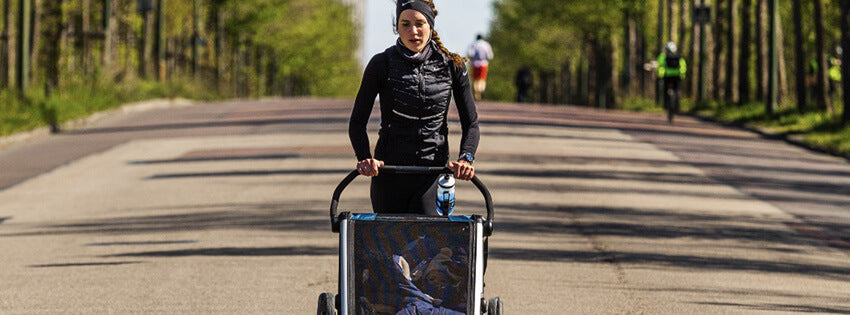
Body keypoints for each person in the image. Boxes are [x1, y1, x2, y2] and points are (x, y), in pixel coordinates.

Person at [349, 0, 479, 215]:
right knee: (391, 246)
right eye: (405, 24)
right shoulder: (381, 64)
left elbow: (471, 123)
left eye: (420, 23)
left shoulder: (452, 65)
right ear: (397, 27)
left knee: (429, 245)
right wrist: (364, 158)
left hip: (433, 172)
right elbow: (357, 122)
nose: (413, 31)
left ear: (430, 25)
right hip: (389, 173)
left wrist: (466, 158)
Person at [657, 42, 687, 116]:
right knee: (677, 90)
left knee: (665, 90)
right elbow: (683, 66)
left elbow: (660, 67)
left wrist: (660, 76)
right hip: (677, 76)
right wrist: (682, 75)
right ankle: (676, 106)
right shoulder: (679, 56)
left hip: (667, 76)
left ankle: (666, 105)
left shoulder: (662, 56)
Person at [467, 34, 494, 101]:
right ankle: (481, 90)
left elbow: (471, 54)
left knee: (475, 79)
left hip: (475, 64)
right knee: (482, 78)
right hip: (484, 64)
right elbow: (490, 56)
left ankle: (477, 93)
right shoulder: (486, 45)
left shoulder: (473, 45)